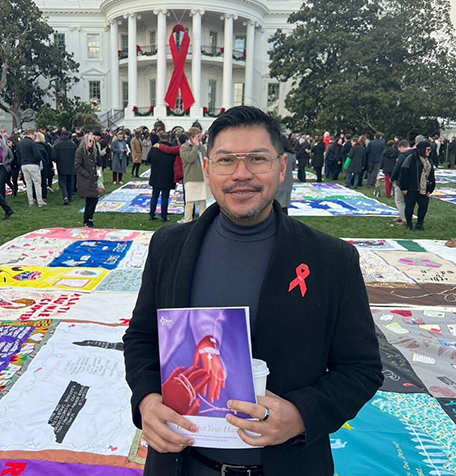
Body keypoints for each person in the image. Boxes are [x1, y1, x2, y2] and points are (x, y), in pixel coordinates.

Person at [123, 106, 382, 476]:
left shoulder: (331, 259)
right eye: (226, 160)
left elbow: (362, 368)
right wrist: (147, 400)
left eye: (257, 159)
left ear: (281, 167)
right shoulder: (169, 245)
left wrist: (299, 415)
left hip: (288, 465)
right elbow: (141, 337)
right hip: (182, 465)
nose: (241, 174)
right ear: (209, 169)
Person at [399, 140, 435, 232]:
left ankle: (420, 224)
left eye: (430, 150)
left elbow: (431, 175)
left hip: (424, 188)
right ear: (422, 149)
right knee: (410, 206)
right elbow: (404, 173)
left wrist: (430, 189)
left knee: (423, 206)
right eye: (427, 149)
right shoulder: (411, 158)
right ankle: (409, 224)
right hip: (412, 187)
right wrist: (404, 188)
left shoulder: (429, 160)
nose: (429, 151)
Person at [180, 127, 210, 223]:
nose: (200, 138)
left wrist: (199, 146)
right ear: (192, 137)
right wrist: (195, 146)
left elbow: (205, 155)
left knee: (202, 202)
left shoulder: (200, 145)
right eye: (198, 136)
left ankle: (202, 222)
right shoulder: (184, 147)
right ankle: (187, 221)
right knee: (190, 203)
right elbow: (190, 158)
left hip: (202, 177)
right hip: (191, 178)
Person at [147, 131, 176, 222]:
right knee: (165, 197)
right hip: (167, 175)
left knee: (154, 195)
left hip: (156, 175)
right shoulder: (171, 149)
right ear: (169, 139)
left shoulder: (154, 148)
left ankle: (152, 214)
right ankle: (164, 215)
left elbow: (148, 159)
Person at [75, 136, 102, 228]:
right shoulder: (80, 151)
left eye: (93, 141)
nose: (91, 143)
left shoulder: (93, 151)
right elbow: (77, 165)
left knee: (92, 199)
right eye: (90, 141)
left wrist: (96, 173)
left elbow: (96, 163)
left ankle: (88, 220)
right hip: (85, 179)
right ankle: (88, 220)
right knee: (91, 199)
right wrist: (86, 174)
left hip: (93, 178)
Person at [17, 129, 45, 207]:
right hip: (33, 164)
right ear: (31, 134)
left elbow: (18, 155)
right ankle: (40, 201)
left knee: (28, 184)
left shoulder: (20, 143)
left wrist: (21, 163)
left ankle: (31, 202)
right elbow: (37, 154)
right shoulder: (32, 143)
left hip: (24, 165)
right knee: (37, 183)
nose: (35, 137)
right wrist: (40, 160)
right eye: (35, 135)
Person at [390, 139, 413, 226]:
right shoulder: (415, 154)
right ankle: (404, 216)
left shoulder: (403, 156)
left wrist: (392, 178)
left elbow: (397, 168)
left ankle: (405, 219)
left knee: (399, 200)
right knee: (407, 201)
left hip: (402, 181)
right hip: (412, 181)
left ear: (402, 147)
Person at [52, 130, 77, 205]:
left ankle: (65, 196)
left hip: (61, 166)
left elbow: (53, 156)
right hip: (71, 166)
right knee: (70, 181)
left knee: (63, 182)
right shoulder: (73, 144)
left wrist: (58, 162)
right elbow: (77, 155)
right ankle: (70, 197)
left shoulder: (57, 145)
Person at [275, 135, 296, 214]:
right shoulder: (292, 155)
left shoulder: (276, 155)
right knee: (284, 205)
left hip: (278, 180)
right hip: (287, 181)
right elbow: (294, 167)